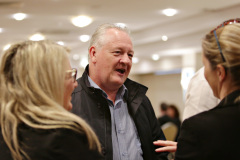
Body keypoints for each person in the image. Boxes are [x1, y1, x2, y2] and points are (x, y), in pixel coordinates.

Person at [71, 23, 168, 160]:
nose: (126, 60)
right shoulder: (70, 100)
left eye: (130, 55)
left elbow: (159, 151)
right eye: (117, 52)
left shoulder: (141, 101)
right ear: (94, 54)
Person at [0, 40, 103, 160]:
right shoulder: (63, 137)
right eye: (70, 75)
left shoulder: (7, 133)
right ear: (49, 82)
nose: (75, 84)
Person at [154, 18, 240, 160]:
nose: (203, 75)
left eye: (205, 66)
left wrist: (195, 145)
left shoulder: (199, 128)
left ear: (220, 73)